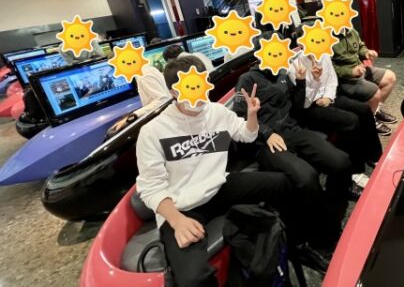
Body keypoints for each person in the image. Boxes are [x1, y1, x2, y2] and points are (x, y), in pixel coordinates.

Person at [136, 56, 325, 287]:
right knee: (193, 279)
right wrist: (176, 221)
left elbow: (246, 134)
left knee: (286, 183)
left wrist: (252, 115)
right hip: (182, 206)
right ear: (173, 92)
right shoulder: (152, 131)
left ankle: (295, 244)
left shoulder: (216, 112)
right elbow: (150, 187)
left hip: (219, 186)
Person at [233, 61, 353, 252]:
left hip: (292, 130)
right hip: (265, 142)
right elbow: (239, 117)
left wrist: (301, 82)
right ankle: (323, 240)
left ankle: (332, 212)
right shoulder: (246, 79)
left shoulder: (282, 73)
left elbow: (296, 107)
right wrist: (266, 133)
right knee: (306, 177)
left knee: (341, 162)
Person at [288, 52, 382, 191]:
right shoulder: (295, 65)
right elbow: (303, 102)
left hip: (328, 97)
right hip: (310, 106)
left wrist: (328, 97)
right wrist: (316, 80)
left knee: (363, 109)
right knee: (350, 121)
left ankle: (374, 155)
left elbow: (332, 81)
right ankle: (354, 171)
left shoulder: (323, 54)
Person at [331, 27, 398, 136]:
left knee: (390, 77)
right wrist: (351, 71)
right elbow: (329, 68)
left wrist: (367, 52)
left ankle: (376, 112)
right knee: (374, 92)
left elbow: (360, 47)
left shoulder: (350, 30)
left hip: (360, 69)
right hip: (343, 79)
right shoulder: (327, 37)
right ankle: (370, 121)